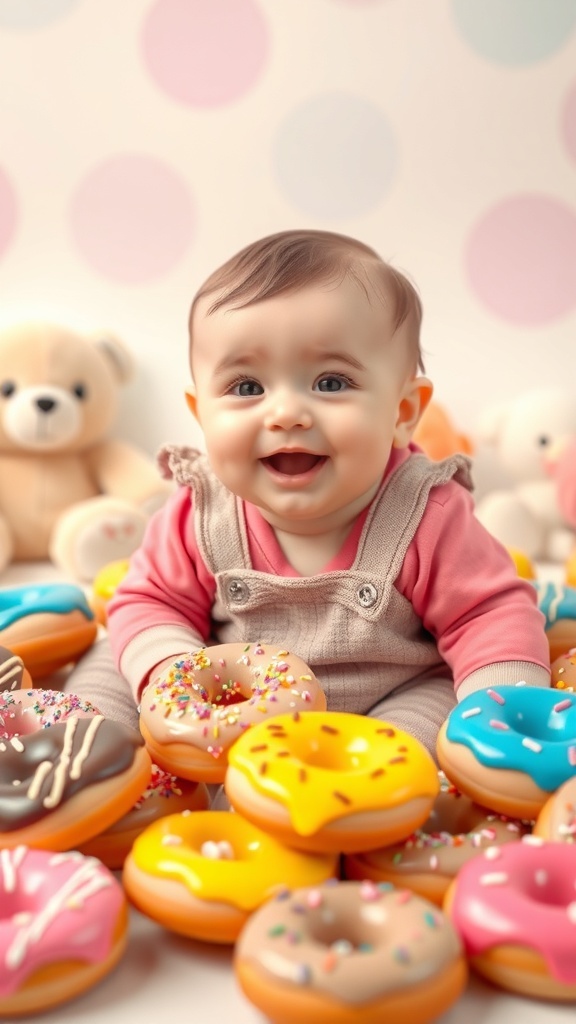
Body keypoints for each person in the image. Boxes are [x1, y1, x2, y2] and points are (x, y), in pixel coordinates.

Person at [66, 229, 551, 756]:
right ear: (201, 413)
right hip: (221, 701)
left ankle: (365, 799)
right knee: (113, 654)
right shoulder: (201, 512)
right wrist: (172, 676)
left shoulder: (427, 513)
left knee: (427, 720)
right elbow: (152, 599)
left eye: (331, 382)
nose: (287, 413)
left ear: (403, 412)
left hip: (384, 700)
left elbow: (488, 614)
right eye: (247, 387)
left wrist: (507, 709)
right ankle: (82, 756)